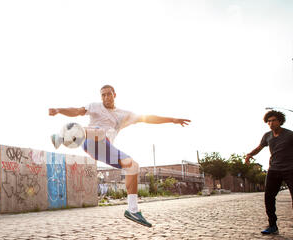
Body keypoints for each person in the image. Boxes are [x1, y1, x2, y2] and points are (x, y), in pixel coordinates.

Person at [48, 85, 190, 227]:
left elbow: (147, 118)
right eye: (103, 95)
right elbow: (78, 111)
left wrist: (172, 120)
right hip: (89, 141)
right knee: (100, 132)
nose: (106, 98)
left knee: (133, 166)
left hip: (106, 149)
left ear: (114, 94)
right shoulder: (94, 106)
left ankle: (132, 210)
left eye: (108, 94)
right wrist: (60, 110)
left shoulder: (124, 114)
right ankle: (61, 136)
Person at [245, 110, 293, 239]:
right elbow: (259, 147)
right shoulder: (267, 136)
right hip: (274, 169)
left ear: (280, 121)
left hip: (290, 169)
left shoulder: (290, 135)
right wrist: (250, 154)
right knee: (268, 196)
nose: (271, 123)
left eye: (273, 120)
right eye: (269, 121)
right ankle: (272, 225)